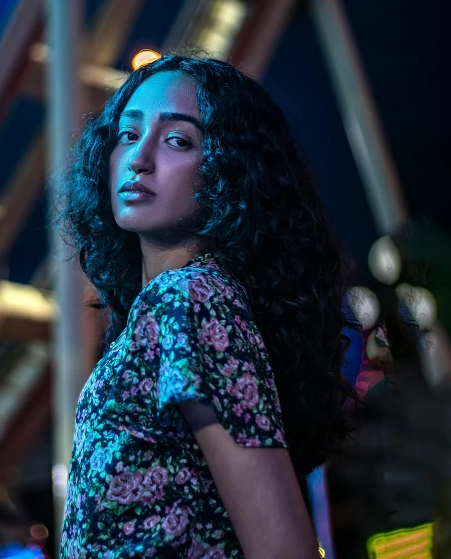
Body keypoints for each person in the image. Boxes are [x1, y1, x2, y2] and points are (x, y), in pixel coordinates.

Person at [57, 55, 355, 558]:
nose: (139, 158)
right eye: (127, 135)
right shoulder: (170, 305)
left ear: (228, 168)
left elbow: (284, 549)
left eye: (178, 140)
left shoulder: (190, 299)